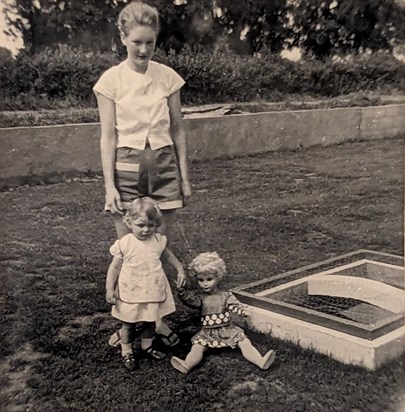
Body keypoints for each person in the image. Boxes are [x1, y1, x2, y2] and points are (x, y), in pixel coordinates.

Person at [93, 1, 191, 346]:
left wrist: (185, 175)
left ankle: (159, 320)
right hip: (126, 166)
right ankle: (126, 325)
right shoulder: (111, 81)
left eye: (150, 42)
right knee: (128, 250)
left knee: (158, 246)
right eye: (136, 42)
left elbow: (178, 129)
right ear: (122, 38)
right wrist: (109, 186)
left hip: (163, 165)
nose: (144, 49)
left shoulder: (168, 77)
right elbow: (108, 136)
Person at [105, 197, 186, 371]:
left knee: (150, 320)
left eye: (151, 225)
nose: (146, 230)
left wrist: (180, 269)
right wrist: (109, 289)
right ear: (129, 222)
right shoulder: (125, 243)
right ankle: (126, 350)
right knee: (128, 323)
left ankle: (146, 345)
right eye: (140, 225)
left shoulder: (157, 241)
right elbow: (114, 268)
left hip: (152, 288)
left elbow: (168, 256)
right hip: (131, 290)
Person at [170, 252, 276, 374]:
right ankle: (187, 364)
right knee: (197, 347)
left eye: (209, 279)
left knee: (244, 342)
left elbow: (233, 305)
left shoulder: (225, 295)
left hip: (227, 329)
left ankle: (260, 361)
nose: (205, 283)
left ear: (218, 277)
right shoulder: (200, 297)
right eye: (201, 280)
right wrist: (182, 293)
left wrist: (240, 311)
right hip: (208, 332)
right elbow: (192, 302)